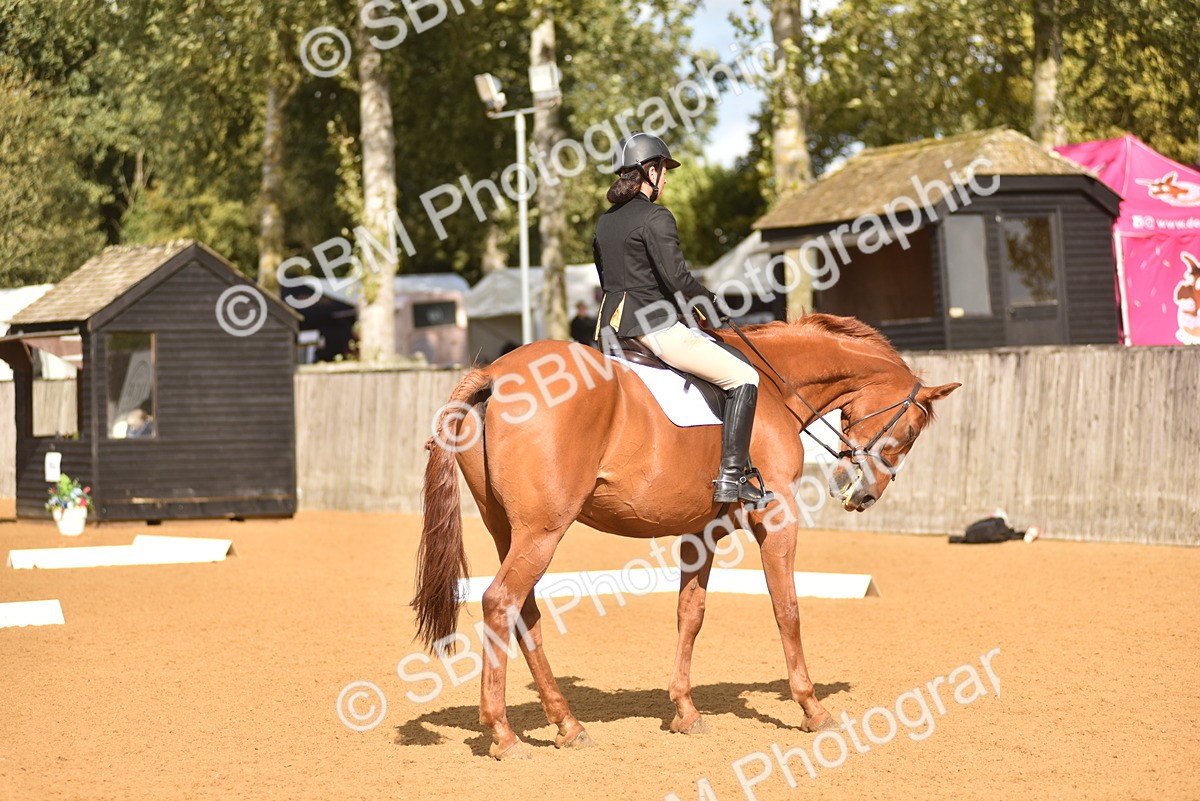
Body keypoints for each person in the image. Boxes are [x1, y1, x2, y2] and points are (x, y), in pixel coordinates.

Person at [592, 132, 770, 505]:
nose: (667, 179)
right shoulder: (656, 216)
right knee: (744, 376)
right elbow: (676, 279)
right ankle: (732, 478)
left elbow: (611, 279)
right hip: (652, 328)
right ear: (649, 171)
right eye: (663, 170)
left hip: (608, 330)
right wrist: (712, 304)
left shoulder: (604, 223)